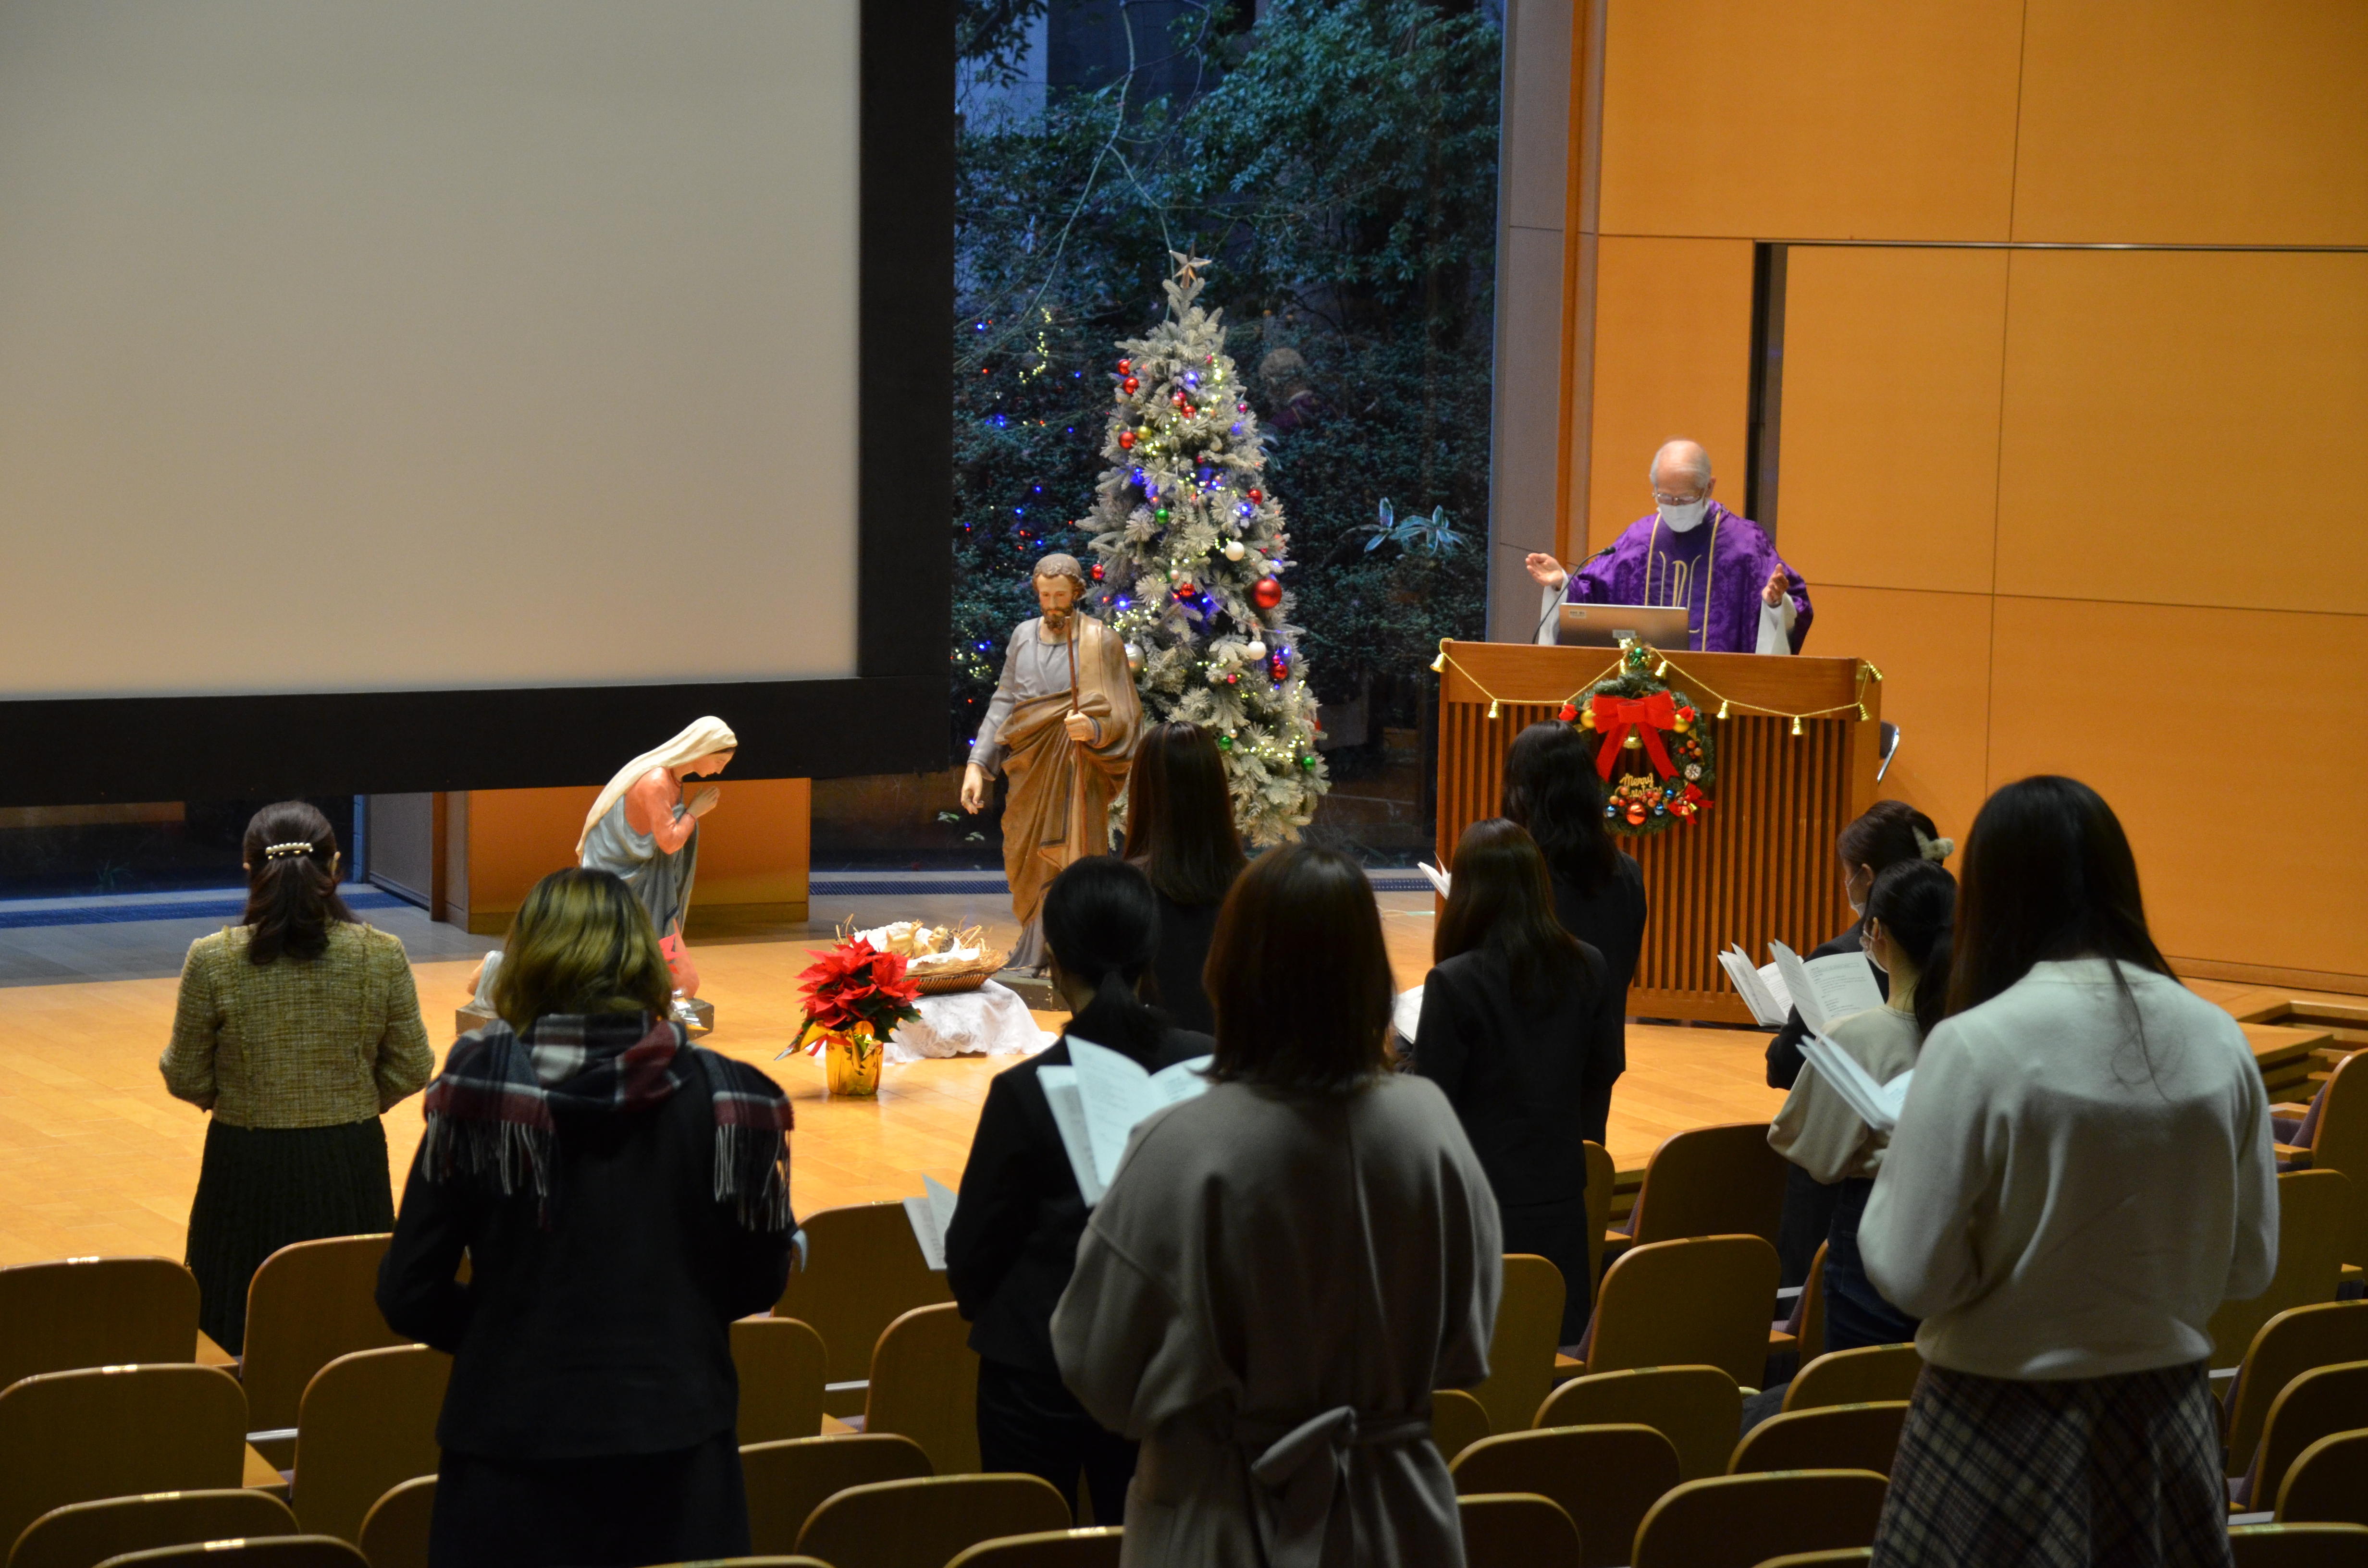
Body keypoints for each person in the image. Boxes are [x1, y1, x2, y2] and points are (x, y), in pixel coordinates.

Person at [1860, 777, 2275, 1567]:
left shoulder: (1972, 1043)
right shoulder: (2218, 1038)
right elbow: (2250, 1262)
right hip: (2168, 1418)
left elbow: (1909, 1271)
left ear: (1987, 893)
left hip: (1993, 1422)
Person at [1051, 844, 1502, 1568]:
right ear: (1369, 975)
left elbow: (1098, 1369)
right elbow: (1471, 1338)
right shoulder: (1431, 1126)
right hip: (1399, 1517)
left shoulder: (1181, 1144)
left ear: (1231, 969)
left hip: (1227, 1516)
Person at [377, 869, 795, 1568]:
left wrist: (507, 1333)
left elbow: (407, 1292)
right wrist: (668, 1324)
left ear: (528, 961)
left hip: (509, 1453)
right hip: (680, 1449)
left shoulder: (480, 1091)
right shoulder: (730, 1096)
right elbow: (762, 1279)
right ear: (642, 958)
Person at [945, 857, 1211, 1521]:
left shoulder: (1024, 1092)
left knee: (1031, 1542)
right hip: (1170, 1362)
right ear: (1149, 952)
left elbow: (973, 1260)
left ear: (1055, 963)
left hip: (1038, 1369)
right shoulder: (1207, 1065)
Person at [160, 800, 432, 1353]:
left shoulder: (212, 959)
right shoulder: (382, 955)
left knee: (238, 1321)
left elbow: (185, 1074)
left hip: (244, 1161)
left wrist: (243, 1097)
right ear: (335, 869)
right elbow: (412, 1066)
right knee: (348, 1319)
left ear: (248, 869)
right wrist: (351, 1098)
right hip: (349, 1158)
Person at [1411, 818, 1620, 1340]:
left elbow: (1431, 1103)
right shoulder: (1588, 965)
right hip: (1560, 1192)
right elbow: (1602, 1071)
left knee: (1483, 1356)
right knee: (1558, 1341)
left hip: (1476, 1200)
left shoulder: (1452, 981)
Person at [1767, 858, 1954, 1354]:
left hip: (1874, 1228)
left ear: (1875, 933)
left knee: (1860, 1382)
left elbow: (1809, 1150)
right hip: (1957, 1228)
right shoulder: (1978, 1030)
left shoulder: (1855, 1036)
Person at [961, 553, 1146, 970]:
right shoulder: (1023, 636)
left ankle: (1075, 955)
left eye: (1060, 595)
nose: (1051, 604)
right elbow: (1004, 701)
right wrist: (978, 764)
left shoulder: (1102, 641)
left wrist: (1095, 730)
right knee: (1022, 856)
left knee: (1074, 863)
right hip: (1029, 769)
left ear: (1077, 593)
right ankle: (1034, 945)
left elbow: (1127, 712)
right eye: (1045, 595)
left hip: (1077, 774)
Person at [1524, 439, 1811, 654]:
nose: (1673, 506)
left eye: (1684, 499)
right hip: (1640, 695)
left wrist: (1774, 605)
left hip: (1717, 696)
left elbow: (1792, 605)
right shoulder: (1639, 539)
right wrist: (1562, 583)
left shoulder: (1746, 545)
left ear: (1709, 488)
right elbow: (1594, 596)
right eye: (1664, 497)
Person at [1502, 719, 1646, 1085]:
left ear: (1523, 790)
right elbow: (1623, 964)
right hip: (1600, 1053)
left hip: (1526, 1060)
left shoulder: (1522, 869)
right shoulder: (1627, 871)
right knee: (1587, 1145)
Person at [576, 715, 737, 999]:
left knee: (682, 983)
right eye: (719, 763)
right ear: (703, 750)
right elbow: (670, 842)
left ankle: (643, 997)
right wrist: (693, 812)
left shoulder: (673, 779)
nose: (718, 771)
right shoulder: (656, 781)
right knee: (680, 982)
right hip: (626, 885)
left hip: (650, 884)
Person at [1120, 721, 1247, 1033]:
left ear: (1142, 792)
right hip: (1239, 1065)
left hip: (1154, 1068)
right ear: (1216, 788)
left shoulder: (1127, 889)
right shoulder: (1255, 886)